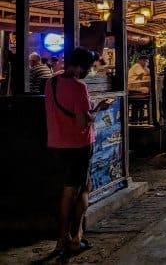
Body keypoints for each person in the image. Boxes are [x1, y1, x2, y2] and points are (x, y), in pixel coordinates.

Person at [45, 47, 110, 258]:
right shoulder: (79, 87)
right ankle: (74, 238)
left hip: (56, 143)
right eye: (89, 68)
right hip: (78, 144)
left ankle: (63, 238)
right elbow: (83, 122)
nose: (89, 71)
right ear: (81, 66)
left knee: (68, 188)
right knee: (82, 189)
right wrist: (99, 108)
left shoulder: (52, 82)